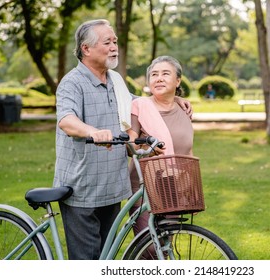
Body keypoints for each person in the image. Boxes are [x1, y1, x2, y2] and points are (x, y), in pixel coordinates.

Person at [53, 20, 191, 260]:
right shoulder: (72, 82)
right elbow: (66, 120)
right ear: (86, 49)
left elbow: (142, 103)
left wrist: (175, 99)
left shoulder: (115, 80)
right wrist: (92, 131)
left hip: (112, 186)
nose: (114, 46)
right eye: (107, 42)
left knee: (105, 258)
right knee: (87, 261)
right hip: (82, 188)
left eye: (115, 41)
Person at [127, 55, 194, 237]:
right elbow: (130, 141)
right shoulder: (140, 106)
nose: (159, 78)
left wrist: (189, 189)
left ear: (178, 81)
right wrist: (141, 149)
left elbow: (187, 151)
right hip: (144, 188)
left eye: (165, 73)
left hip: (175, 187)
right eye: (154, 74)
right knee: (147, 246)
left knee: (164, 243)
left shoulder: (184, 110)